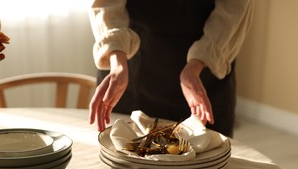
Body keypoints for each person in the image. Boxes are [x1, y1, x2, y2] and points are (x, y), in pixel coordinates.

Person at [88, 0, 254, 137]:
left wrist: (197, 63)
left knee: (208, 165)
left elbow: (234, 8)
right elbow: (106, 4)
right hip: (131, 62)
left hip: (208, 63)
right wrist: (117, 58)